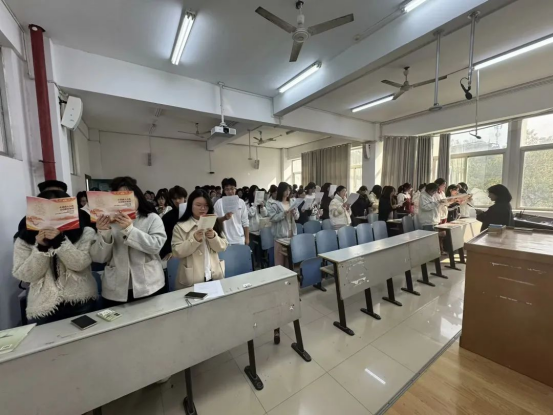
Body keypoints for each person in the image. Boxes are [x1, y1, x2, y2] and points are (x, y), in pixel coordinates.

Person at [13, 190, 97, 324]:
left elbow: (80, 264)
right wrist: (41, 248)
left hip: (81, 300)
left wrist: (60, 241)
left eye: (58, 210)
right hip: (43, 306)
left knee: (87, 336)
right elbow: (26, 275)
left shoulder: (85, 232)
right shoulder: (24, 239)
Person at [90, 177, 167, 306]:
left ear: (138, 197)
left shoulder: (151, 218)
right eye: (118, 197)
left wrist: (130, 230)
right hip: (116, 288)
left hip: (149, 284)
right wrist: (104, 232)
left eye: (127, 197)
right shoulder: (106, 222)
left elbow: (156, 246)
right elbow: (99, 258)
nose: (123, 202)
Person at [171, 190, 227, 288]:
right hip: (191, 279)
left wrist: (213, 237)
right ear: (190, 205)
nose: (202, 208)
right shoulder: (180, 227)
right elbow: (177, 252)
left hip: (214, 275)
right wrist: (194, 240)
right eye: (198, 205)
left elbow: (223, 246)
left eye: (206, 205)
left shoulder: (214, 222)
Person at [267, 182, 299, 345]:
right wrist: (284, 213)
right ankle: (279, 293)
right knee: (280, 267)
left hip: (292, 236)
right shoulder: (273, 204)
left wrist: (294, 212)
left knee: (290, 267)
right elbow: (272, 219)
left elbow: (297, 217)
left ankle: (290, 293)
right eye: (286, 191)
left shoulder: (292, 202)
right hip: (280, 237)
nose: (288, 193)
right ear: (281, 191)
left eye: (289, 191)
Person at [214, 178, 250, 245]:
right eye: (227, 189)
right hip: (224, 240)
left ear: (235, 189)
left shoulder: (241, 202)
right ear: (224, 190)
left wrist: (247, 239)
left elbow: (245, 221)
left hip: (239, 238)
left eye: (232, 188)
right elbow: (215, 221)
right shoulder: (219, 203)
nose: (230, 191)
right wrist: (224, 218)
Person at [160, 186, 188, 260]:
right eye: (174, 198)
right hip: (174, 252)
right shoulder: (167, 217)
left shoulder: (192, 213)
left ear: (185, 198)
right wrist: (169, 251)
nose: (177, 201)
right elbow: (165, 237)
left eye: (180, 198)